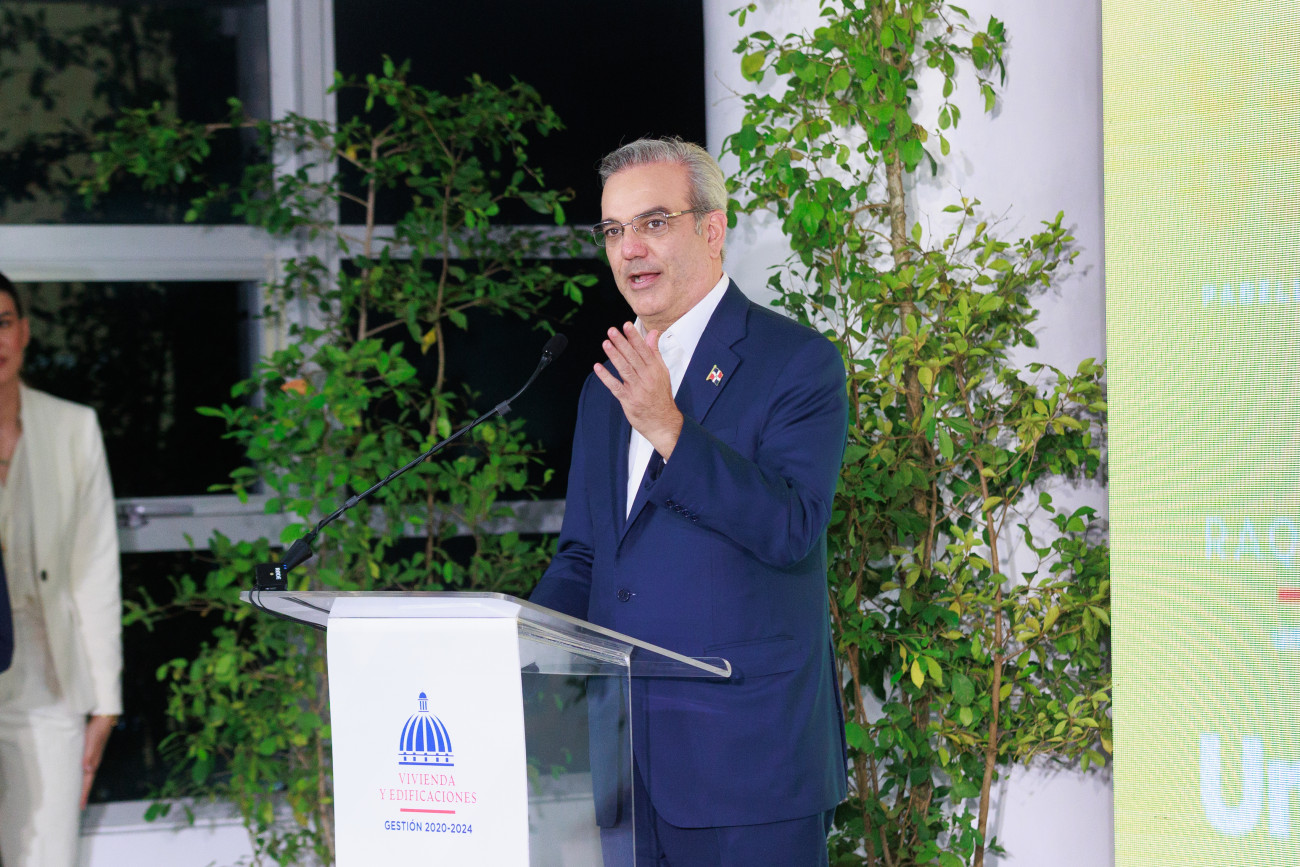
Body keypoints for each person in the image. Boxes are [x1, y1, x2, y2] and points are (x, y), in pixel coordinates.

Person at [530, 138, 849, 866]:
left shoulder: (796, 362)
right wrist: (513, 639)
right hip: (627, 768)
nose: (629, 249)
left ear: (711, 229)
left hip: (750, 767)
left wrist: (669, 428)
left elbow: (791, 526)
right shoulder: (607, 385)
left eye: (653, 223)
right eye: (614, 230)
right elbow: (584, 556)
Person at [0, 272, 122, 867]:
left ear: (24, 332)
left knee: (49, 854)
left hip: (47, 674)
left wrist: (106, 701)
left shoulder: (73, 428)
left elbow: (94, 568)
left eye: (2, 323)